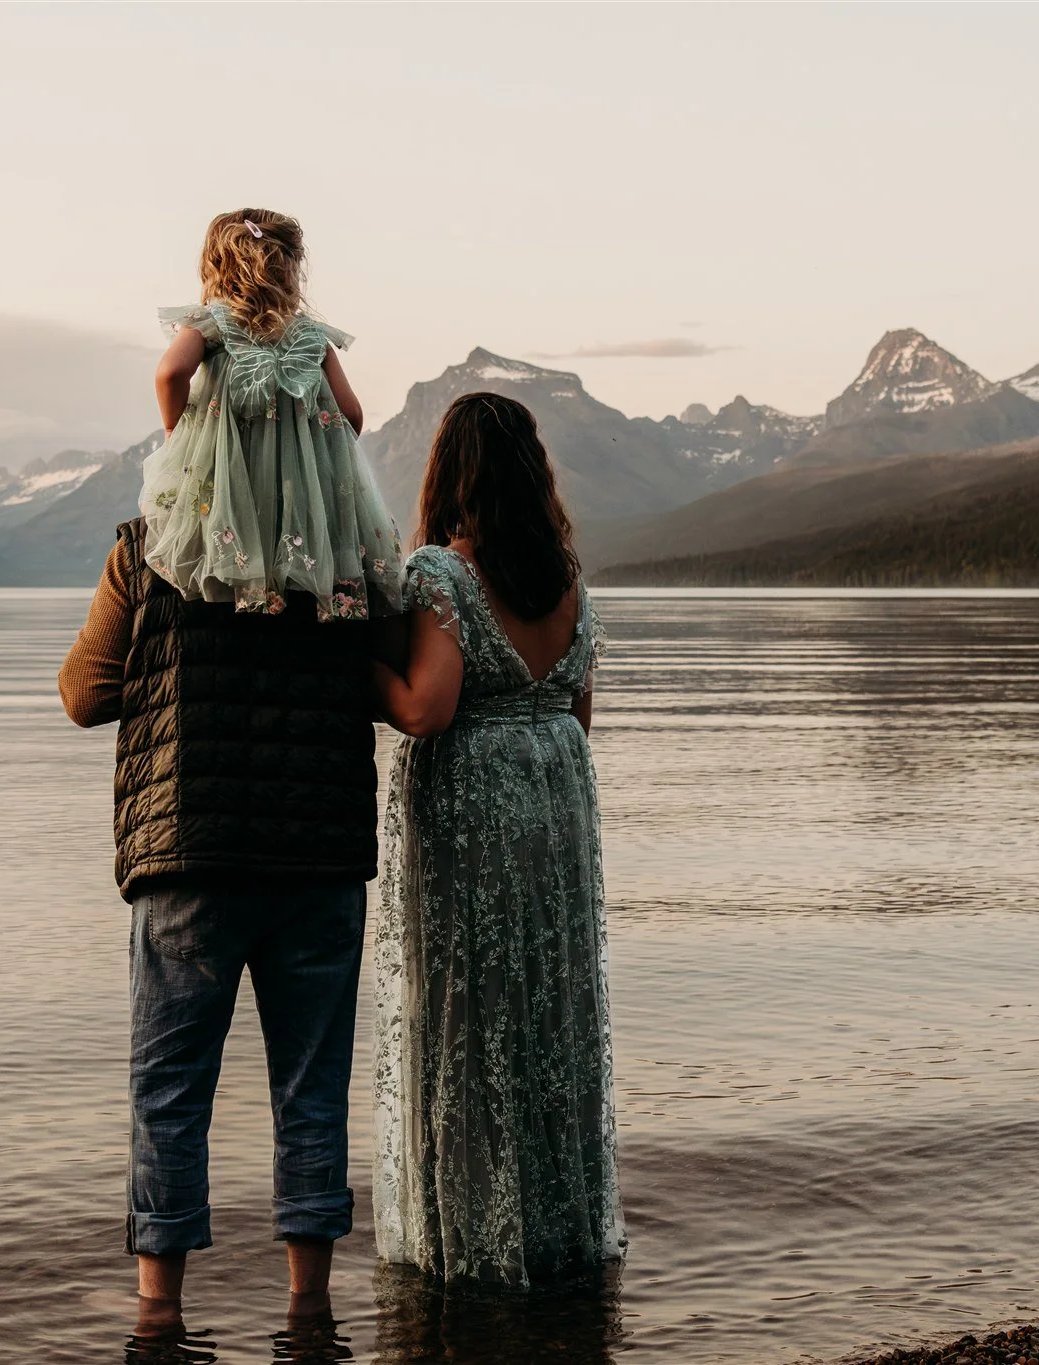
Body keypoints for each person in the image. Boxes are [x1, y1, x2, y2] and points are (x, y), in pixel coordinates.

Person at [58, 208, 404, 1325]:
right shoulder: (342, 564)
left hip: (188, 850)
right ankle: (309, 1314)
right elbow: (349, 421)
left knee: (171, 1095)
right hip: (316, 858)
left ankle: (159, 1315)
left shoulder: (149, 549)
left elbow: (81, 698)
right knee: (311, 1097)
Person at [370, 392, 626, 1287]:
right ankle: (558, 1229)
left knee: (467, 1019)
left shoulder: (443, 573)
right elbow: (577, 718)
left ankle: (473, 1246)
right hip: (555, 815)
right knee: (545, 1020)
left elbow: (425, 708)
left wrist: (351, 658)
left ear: (453, 475)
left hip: (474, 820)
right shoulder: (571, 583)